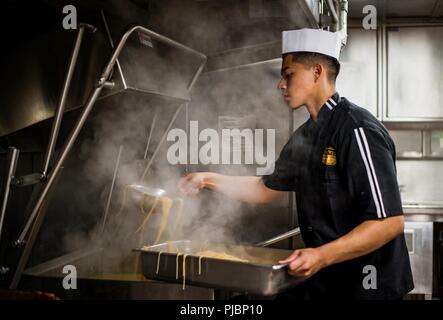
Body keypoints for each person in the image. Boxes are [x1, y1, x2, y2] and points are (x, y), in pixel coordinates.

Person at [178, 28, 414, 300]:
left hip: (369, 289)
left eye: (288, 74)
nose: (281, 84)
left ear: (316, 72)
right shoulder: (305, 136)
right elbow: (263, 189)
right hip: (331, 284)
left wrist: (320, 256)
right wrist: (205, 179)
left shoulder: (356, 130)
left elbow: (389, 222)